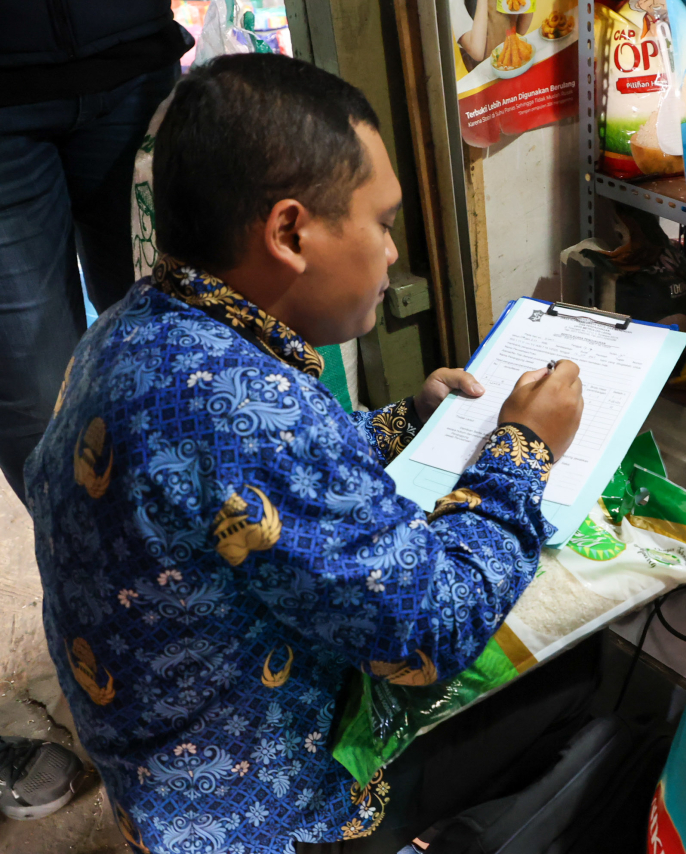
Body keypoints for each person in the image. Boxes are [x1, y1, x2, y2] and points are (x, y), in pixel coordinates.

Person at [23, 53, 586, 853]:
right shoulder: (252, 414)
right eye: (384, 224)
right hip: (260, 813)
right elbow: (430, 631)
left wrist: (404, 422)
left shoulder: (134, 328)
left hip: (156, 781)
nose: (392, 255)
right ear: (291, 231)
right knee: (575, 674)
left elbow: (254, 480)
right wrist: (525, 451)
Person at [0, 1, 192, 504]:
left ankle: (186, 555)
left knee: (177, 355)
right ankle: (90, 573)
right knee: (40, 398)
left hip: (132, 56)